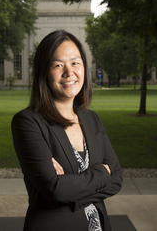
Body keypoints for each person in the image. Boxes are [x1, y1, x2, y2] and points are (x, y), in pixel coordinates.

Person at [11, 30, 122, 231]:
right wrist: (102, 175)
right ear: (44, 71)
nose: (69, 72)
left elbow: (117, 179)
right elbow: (55, 189)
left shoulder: (91, 119)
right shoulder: (27, 122)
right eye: (58, 65)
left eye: (75, 62)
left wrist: (69, 186)